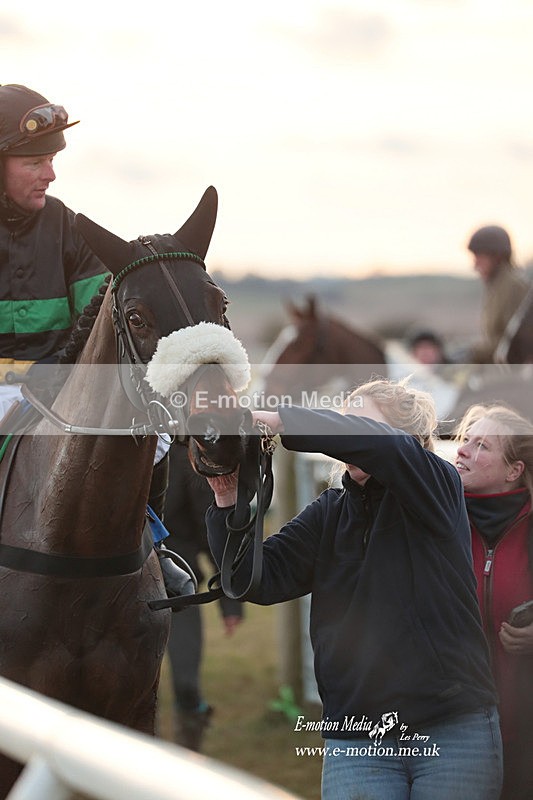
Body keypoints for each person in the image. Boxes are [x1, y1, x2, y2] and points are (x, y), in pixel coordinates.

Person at [205, 378, 502, 800]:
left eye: (358, 425)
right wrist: (227, 499)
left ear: (406, 438)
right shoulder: (329, 512)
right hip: (358, 736)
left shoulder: (436, 485)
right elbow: (256, 577)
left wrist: (270, 419)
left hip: (451, 725)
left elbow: (387, 449)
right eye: (342, 424)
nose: (346, 435)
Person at [0, 83, 188, 595]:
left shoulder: (64, 225)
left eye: (52, 159)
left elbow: (95, 321)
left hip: (58, 384)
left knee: (155, 435)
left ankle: (151, 542)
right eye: (35, 161)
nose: (51, 173)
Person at [455, 404, 533, 800]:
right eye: (466, 439)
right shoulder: (441, 517)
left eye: (482, 445)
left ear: (513, 471)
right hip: (455, 726)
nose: (464, 449)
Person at [163, 443, 244, 751]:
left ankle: (189, 750)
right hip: (123, 589)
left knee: (186, 684)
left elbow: (208, 528)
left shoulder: (181, 458)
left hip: (177, 591)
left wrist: (229, 599)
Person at [466, 224, 528, 364]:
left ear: (497, 256)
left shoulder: (513, 286)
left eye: (479, 256)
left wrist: (474, 351)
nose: (475, 264)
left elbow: (512, 340)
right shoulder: (497, 286)